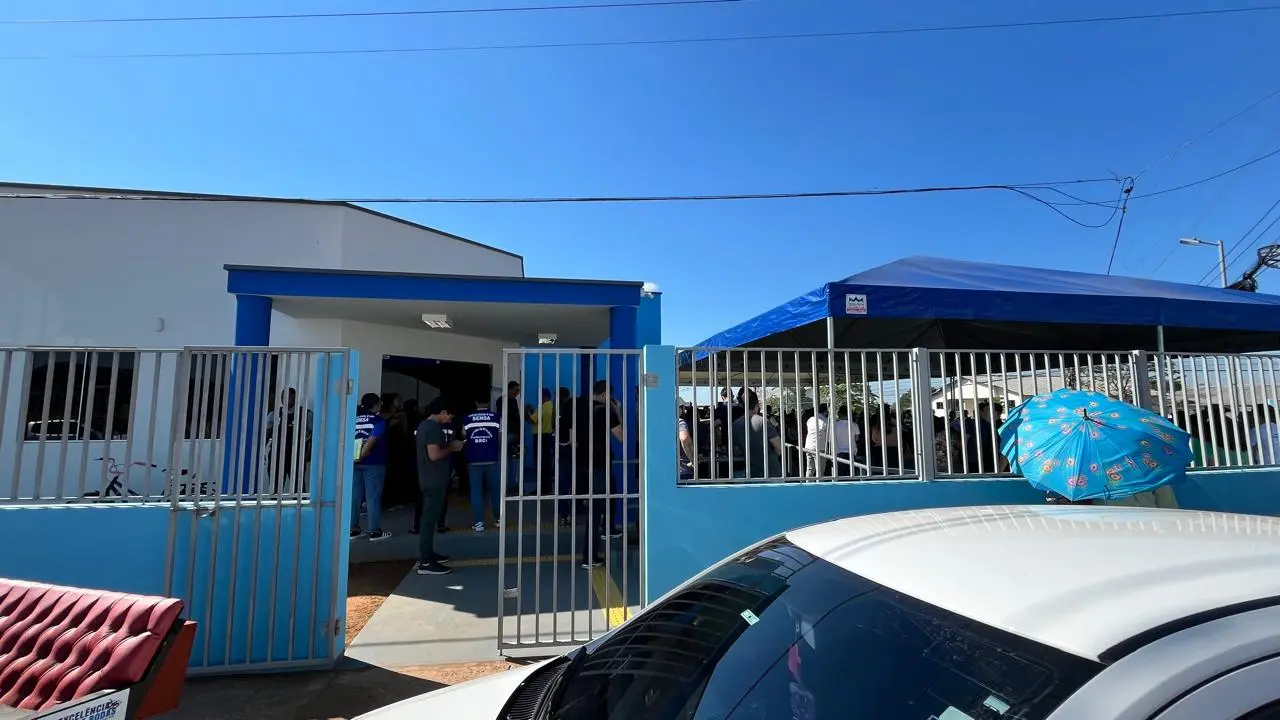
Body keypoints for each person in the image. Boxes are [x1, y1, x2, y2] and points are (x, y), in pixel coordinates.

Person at [577, 380, 624, 569]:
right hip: (599, 464)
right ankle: (589, 556)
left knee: (608, 490)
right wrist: (617, 410)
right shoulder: (605, 411)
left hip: (583, 463)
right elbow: (621, 436)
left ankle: (608, 529)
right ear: (605, 395)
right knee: (596, 509)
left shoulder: (580, 407)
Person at [414, 399, 460, 575]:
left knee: (429, 519)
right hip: (434, 480)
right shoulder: (432, 428)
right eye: (449, 416)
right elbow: (434, 455)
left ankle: (429, 553)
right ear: (443, 411)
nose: (450, 419)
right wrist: (452, 448)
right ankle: (426, 561)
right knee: (428, 521)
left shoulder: (424, 425)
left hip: (429, 478)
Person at [351, 393, 392, 541]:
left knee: (354, 496)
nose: (381, 405)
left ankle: (353, 530)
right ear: (375, 405)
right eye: (380, 403)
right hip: (374, 462)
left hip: (354, 463)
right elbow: (372, 440)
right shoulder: (378, 421)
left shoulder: (353, 419)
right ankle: (375, 531)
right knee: (372, 496)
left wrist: (354, 458)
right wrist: (362, 455)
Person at [462, 397, 503, 533]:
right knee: (495, 491)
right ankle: (499, 520)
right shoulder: (496, 417)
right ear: (488, 402)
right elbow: (500, 438)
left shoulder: (467, 418)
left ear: (476, 402)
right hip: (492, 459)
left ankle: (479, 523)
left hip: (473, 460)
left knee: (476, 492)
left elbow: (464, 435)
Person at [264, 388, 313, 494]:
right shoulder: (274, 414)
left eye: (289, 396)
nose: (285, 399)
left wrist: (309, 454)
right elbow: (267, 434)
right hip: (276, 456)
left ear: (295, 398)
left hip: (296, 456)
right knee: (274, 489)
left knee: (298, 489)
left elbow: (313, 435)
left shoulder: (305, 414)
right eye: (283, 397)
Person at [732, 390, 783, 481]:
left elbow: (736, 450)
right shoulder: (763, 421)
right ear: (757, 405)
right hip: (771, 470)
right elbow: (779, 447)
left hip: (750, 473)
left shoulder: (735, 425)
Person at [803, 404, 829, 478]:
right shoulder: (825, 421)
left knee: (810, 469)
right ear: (825, 411)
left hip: (809, 446)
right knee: (820, 470)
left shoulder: (810, 419)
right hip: (820, 447)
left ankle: (808, 483)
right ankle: (819, 483)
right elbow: (829, 436)